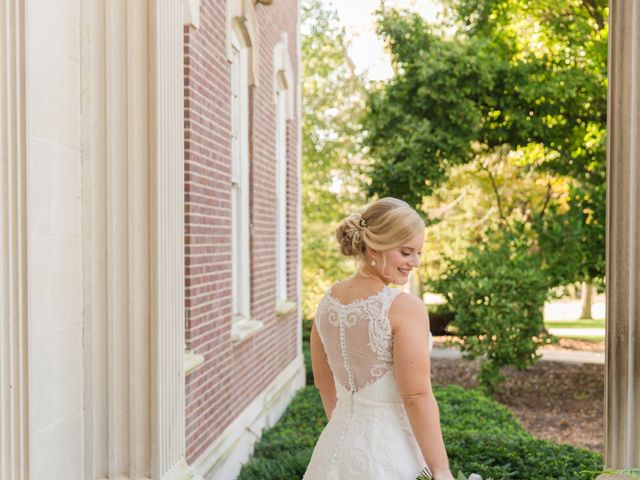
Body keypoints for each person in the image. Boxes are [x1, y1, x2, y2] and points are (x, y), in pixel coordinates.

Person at [303, 197, 455, 480]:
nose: (415, 263)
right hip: (391, 456)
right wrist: (441, 470)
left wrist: (350, 435)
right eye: (406, 252)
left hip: (334, 450)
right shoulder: (404, 308)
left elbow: (324, 384)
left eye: (418, 253)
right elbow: (416, 396)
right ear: (375, 247)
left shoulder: (326, 304)